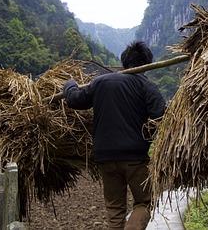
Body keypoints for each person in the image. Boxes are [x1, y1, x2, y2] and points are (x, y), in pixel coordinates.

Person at [63, 41, 166, 229]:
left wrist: (70, 85)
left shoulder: (101, 82)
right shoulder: (147, 86)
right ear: (147, 64)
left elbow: (74, 99)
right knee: (145, 202)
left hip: (105, 157)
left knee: (115, 208)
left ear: (124, 62)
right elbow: (160, 115)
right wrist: (146, 137)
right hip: (134, 157)